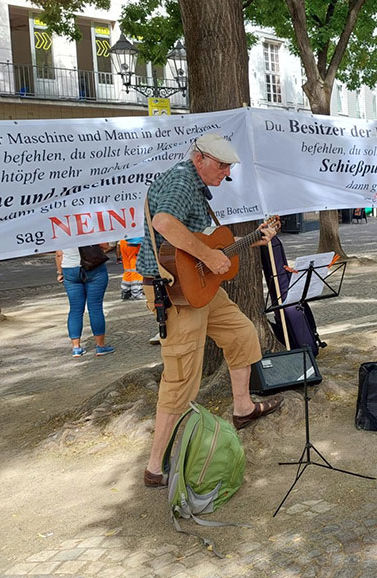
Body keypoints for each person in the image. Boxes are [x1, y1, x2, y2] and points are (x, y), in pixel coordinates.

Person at [136, 133, 278, 489]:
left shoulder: (196, 187)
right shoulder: (182, 181)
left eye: (229, 167)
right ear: (199, 158)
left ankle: (242, 408)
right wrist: (208, 256)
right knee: (182, 377)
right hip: (175, 292)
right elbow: (164, 223)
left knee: (242, 333)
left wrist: (253, 239)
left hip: (197, 287)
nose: (226, 173)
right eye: (221, 165)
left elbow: (207, 242)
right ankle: (155, 467)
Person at [55, 245, 114, 357]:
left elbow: (59, 254)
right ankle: (100, 346)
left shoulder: (62, 233)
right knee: (95, 308)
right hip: (94, 267)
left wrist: (60, 272)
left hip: (70, 269)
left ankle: (76, 348)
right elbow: (105, 245)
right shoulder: (90, 231)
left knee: (75, 309)